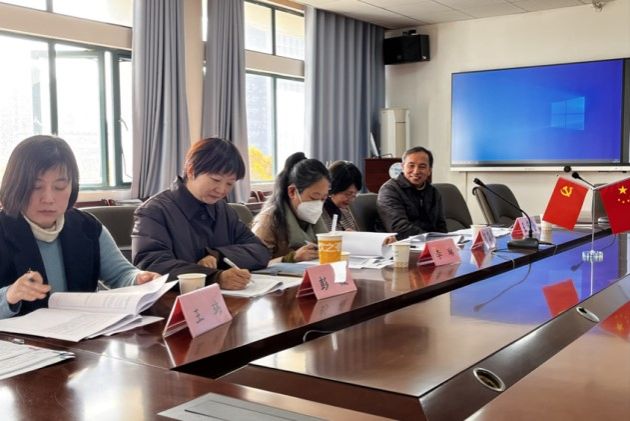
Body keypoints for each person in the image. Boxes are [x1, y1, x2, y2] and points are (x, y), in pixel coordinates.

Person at [0, 135, 160, 319]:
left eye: (60, 187)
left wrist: (139, 279)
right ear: (15, 186)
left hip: (81, 331)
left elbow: (121, 274)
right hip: (18, 336)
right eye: (36, 187)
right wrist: (10, 294)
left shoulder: (87, 227)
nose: (48, 198)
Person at [132, 137, 269, 290]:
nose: (222, 190)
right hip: (174, 300)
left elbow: (260, 251)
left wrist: (218, 255)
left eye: (230, 183)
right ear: (191, 170)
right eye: (215, 180)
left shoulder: (223, 210)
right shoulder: (154, 211)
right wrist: (214, 277)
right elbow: (151, 264)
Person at [252, 153, 330, 262]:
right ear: (292, 192)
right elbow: (254, 264)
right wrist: (291, 258)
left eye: (323, 199)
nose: (318, 205)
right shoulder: (269, 220)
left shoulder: (314, 219)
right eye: (314, 198)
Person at [377, 146, 447, 239]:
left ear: (429, 171)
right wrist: (431, 239)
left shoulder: (433, 192)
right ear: (402, 167)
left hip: (428, 243)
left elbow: (441, 226)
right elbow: (399, 228)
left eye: (422, 166)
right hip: (401, 244)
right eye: (411, 165)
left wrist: (443, 241)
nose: (416, 171)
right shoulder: (390, 190)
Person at [321, 161, 362, 231]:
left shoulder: (346, 212)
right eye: (348, 194)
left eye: (354, 195)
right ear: (334, 187)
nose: (351, 200)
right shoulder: (319, 214)